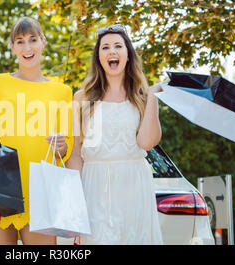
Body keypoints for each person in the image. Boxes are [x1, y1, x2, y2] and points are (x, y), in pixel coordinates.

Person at [0, 17, 73, 245]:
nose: (27, 47)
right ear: (12, 47)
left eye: (33, 40)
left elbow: (67, 146)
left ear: (43, 42)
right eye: (20, 41)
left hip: (42, 190)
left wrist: (62, 145)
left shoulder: (62, 91)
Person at [66, 25, 164, 244]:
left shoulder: (142, 97)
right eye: (105, 47)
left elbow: (147, 143)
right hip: (95, 184)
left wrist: (153, 98)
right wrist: (75, 203)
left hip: (134, 184)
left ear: (128, 55)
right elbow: (75, 155)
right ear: (98, 57)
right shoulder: (81, 98)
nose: (112, 51)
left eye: (118, 46)